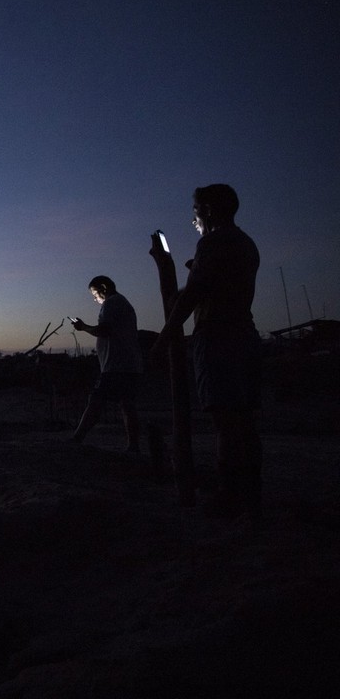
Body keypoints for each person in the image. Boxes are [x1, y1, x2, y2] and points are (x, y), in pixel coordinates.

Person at [153, 183, 261, 519]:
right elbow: (212, 283)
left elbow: (193, 295)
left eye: (195, 208)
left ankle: (231, 493)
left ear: (209, 209)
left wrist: (165, 337)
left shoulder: (213, 242)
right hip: (243, 333)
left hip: (219, 336)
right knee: (242, 417)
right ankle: (248, 489)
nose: (193, 217)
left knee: (226, 417)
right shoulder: (244, 243)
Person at [70, 275, 143, 449]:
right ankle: (133, 446)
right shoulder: (121, 303)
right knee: (127, 404)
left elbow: (104, 330)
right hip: (127, 364)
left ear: (103, 288)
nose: (95, 299)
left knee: (96, 401)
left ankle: (76, 439)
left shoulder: (113, 303)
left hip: (116, 365)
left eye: (95, 294)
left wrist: (84, 327)